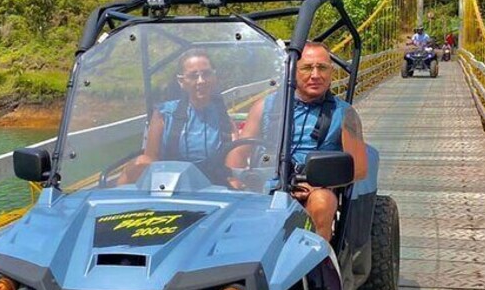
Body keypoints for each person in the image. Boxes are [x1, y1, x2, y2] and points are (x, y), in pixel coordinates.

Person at [240, 41, 368, 241]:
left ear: (331, 72)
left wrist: (317, 183)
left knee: (322, 202)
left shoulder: (344, 114)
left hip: (316, 187)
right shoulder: (264, 106)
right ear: (292, 71)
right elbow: (236, 159)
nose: (316, 75)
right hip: (266, 183)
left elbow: (359, 168)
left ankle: (316, 267)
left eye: (322, 67)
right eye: (307, 68)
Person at [118, 49, 235, 184]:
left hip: (212, 187)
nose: (201, 81)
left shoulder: (223, 117)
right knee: (139, 163)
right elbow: (150, 160)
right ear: (181, 81)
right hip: (170, 186)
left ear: (214, 77)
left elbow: (233, 163)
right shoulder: (164, 115)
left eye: (206, 74)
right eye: (193, 76)